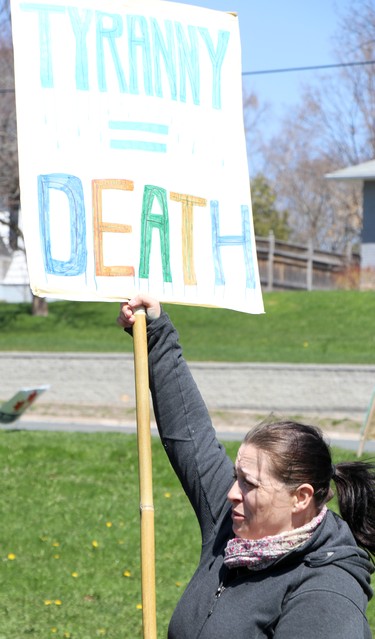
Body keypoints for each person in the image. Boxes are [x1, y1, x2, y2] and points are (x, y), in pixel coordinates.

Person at [117, 295, 375, 639]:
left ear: (300, 497)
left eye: (250, 484)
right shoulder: (236, 527)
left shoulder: (328, 594)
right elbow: (190, 436)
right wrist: (154, 330)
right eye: (238, 477)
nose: (230, 493)